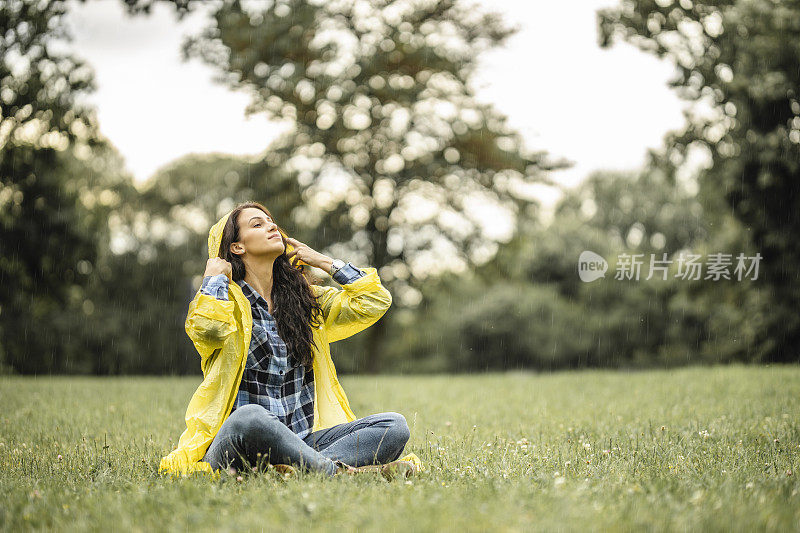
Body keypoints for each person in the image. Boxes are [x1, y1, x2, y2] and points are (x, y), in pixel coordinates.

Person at [158, 201, 422, 480]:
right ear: (237, 247)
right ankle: (339, 472)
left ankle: (296, 471)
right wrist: (212, 279)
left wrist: (323, 261)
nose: (272, 226)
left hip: (300, 442)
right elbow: (207, 329)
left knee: (394, 426)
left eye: (271, 221)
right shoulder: (225, 302)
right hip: (239, 443)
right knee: (250, 417)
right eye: (257, 224)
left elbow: (374, 301)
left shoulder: (305, 301)